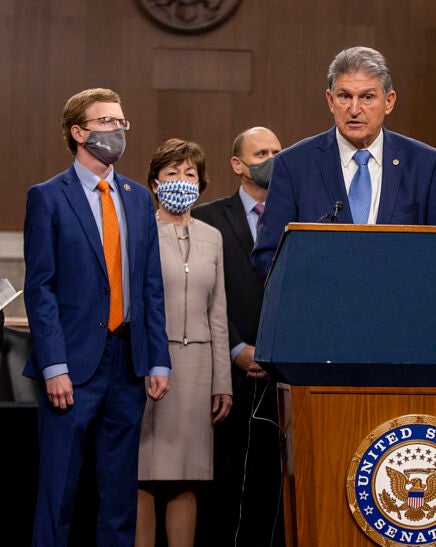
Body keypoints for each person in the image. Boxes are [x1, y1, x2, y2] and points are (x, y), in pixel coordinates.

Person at [23, 88, 171, 546]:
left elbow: (150, 284)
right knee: (59, 493)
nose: (118, 130)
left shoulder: (137, 197)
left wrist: (158, 359)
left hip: (128, 363)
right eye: (107, 121)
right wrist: (54, 366)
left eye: (122, 122)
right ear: (79, 131)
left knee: (120, 496)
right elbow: (40, 288)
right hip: (71, 367)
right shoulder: (48, 197)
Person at [252, 46, 436, 275]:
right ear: (330, 100)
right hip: (322, 305)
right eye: (344, 96)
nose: (354, 109)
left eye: (367, 97)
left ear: (389, 102)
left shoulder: (425, 165)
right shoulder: (293, 165)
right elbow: (267, 254)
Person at [135, 139, 232, 546]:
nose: (181, 181)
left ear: (202, 181)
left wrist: (222, 380)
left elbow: (218, 312)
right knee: (141, 474)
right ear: (155, 183)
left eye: (189, 174)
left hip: (198, 368)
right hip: (149, 365)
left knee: (187, 476)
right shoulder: (139, 232)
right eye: (172, 173)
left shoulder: (212, 237)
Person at [192, 127, 286, 546]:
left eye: (277, 151)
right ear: (237, 164)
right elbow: (205, 295)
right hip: (226, 374)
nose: (272, 158)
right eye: (261, 152)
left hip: (284, 374)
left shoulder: (299, 215)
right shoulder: (207, 218)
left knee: (274, 491)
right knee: (224, 487)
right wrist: (235, 349)